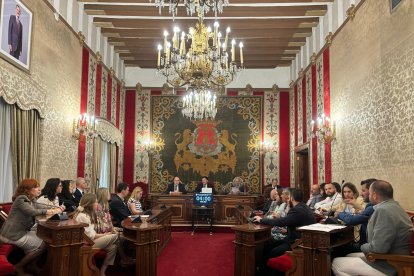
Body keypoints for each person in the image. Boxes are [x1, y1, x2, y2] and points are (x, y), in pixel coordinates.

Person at [332, 180, 413, 276]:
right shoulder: (396, 206)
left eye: (369, 193)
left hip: (390, 264)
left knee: (336, 263)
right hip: (394, 256)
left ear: (374, 195)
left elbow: (379, 248)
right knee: (348, 255)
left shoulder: (383, 211)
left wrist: (362, 247)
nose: (367, 195)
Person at [0, 179, 63, 274]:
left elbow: (41, 207)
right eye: (36, 187)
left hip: (20, 232)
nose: (39, 189)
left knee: (44, 240)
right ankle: (19, 266)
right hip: (11, 234)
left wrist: (56, 208)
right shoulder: (21, 199)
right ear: (27, 190)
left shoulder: (31, 199)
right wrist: (51, 211)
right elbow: (32, 212)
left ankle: (32, 265)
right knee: (42, 245)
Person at [254, 189, 316, 259]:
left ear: (292, 198)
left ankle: (265, 268)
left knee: (271, 251)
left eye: (289, 197)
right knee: (269, 245)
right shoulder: (304, 207)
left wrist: (261, 220)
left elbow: (281, 222)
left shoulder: (297, 210)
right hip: (298, 239)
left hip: (296, 243)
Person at [73, 193, 118, 276]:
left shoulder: (87, 214)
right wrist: (107, 235)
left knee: (113, 247)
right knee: (116, 236)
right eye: (96, 202)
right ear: (90, 204)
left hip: (91, 240)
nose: (97, 204)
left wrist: (106, 234)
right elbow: (91, 236)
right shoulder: (83, 216)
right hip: (86, 244)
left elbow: (92, 234)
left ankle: (102, 272)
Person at [96, 188, 133, 267]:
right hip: (100, 233)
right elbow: (101, 226)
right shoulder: (98, 207)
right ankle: (124, 260)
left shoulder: (106, 205)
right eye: (108, 193)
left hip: (107, 230)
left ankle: (125, 259)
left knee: (125, 235)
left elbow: (109, 223)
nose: (110, 195)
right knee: (123, 237)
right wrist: (114, 230)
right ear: (103, 195)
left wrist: (115, 229)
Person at [337, 178, 376, 246]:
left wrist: (339, 214)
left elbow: (352, 220)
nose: (361, 193)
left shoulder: (371, 206)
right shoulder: (343, 202)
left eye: (363, 191)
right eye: (344, 192)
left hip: (368, 248)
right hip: (366, 244)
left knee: (338, 250)